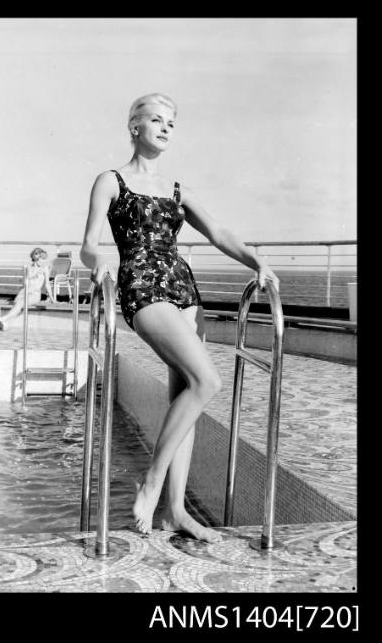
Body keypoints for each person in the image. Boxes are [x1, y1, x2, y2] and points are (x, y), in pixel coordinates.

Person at [80, 93, 280, 542]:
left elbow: (220, 233)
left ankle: (175, 512)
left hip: (184, 291)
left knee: (187, 398)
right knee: (207, 381)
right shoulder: (110, 181)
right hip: (143, 288)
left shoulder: (177, 190)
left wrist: (256, 262)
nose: (166, 128)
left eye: (171, 122)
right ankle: (151, 483)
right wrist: (100, 263)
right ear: (134, 127)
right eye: (156, 119)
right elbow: (89, 243)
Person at [0, 247, 54, 330]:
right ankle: (6, 324)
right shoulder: (28, 268)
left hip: (35, 294)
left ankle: (3, 319)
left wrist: (52, 298)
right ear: (33, 257)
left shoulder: (44, 269)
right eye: (37, 256)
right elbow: (24, 282)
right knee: (18, 304)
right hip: (25, 291)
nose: (39, 259)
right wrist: (33, 274)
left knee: (20, 303)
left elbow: (47, 284)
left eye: (41, 257)